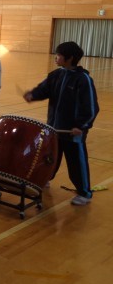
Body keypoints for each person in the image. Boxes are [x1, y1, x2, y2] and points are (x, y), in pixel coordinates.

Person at [24, 41, 99, 205]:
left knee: (76, 163)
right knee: (50, 158)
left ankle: (84, 193)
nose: (56, 57)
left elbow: (91, 108)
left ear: (70, 58)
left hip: (73, 133)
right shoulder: (56, 75)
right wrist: (33, 95)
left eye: (59, 55)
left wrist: (81, 126)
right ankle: (45, 178)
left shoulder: (83, 80)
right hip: (54, 129)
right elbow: (44, 89)